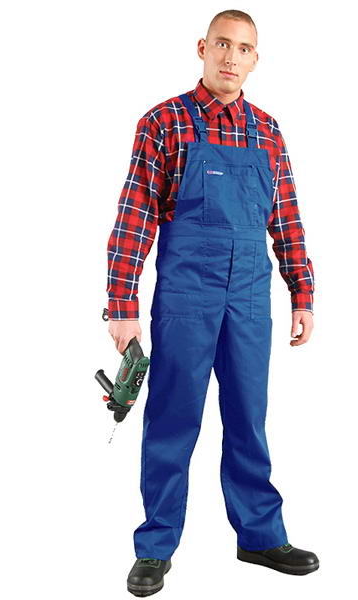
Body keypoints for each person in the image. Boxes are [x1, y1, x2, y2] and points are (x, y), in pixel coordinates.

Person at [106, 9, 318, 597]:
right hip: (186, 293)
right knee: (173, 417)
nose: (231, 57)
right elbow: (134, 215)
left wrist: (302, 292)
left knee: (249, 416)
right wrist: (122, 304)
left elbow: (286, 217)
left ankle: (260, 535)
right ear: (202, 48)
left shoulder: (267, 131)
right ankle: (155, 546)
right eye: (222, 44)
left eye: (243, 49)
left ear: (255, 59)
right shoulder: (164, 122)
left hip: (249, 293)